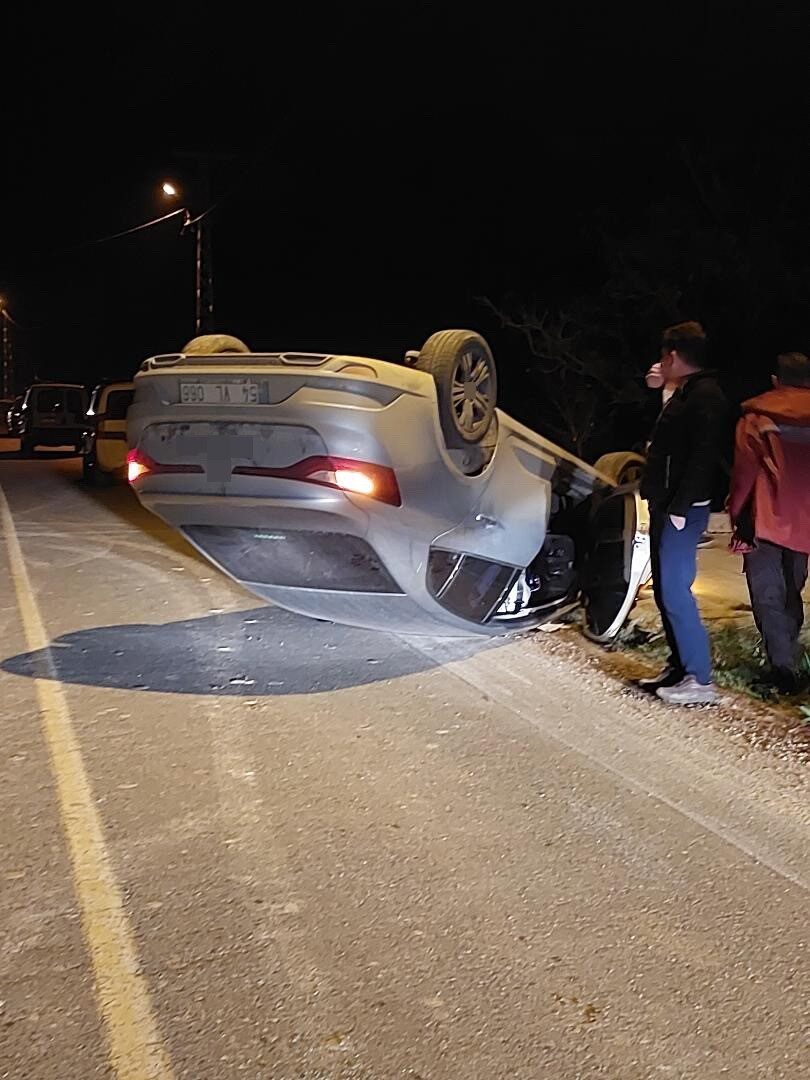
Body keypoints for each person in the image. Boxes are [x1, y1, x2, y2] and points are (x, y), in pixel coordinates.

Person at [638, 321, 729, 704]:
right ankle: (679, 667)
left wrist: (679, 507)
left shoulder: (706, 396)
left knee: (676, 591)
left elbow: (702, 458)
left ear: (673, 356)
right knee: (665, 589)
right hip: (670, 503)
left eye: (664, 356)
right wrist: (663, 389)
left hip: (683, 508)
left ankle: (699, 678)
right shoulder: (688, 392)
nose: (660, 363)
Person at [727, 352, 810, 693]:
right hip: (806, 520)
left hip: (766, 515)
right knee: (793, 588)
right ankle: (786, 654)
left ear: (776, 380)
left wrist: (737, 513)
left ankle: (783, 669)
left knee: (767, 593)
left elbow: (745, 472)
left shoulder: (757, 418)